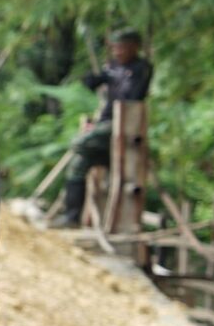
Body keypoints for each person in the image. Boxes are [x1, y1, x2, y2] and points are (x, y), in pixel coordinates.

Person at [51, 28, 153, 226]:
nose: (117, 52)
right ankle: (72, 217)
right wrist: (99, 76)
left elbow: (132, 96)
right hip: (105, 125)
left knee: (80, 143)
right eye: (115, 47)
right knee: (77, 165)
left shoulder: (141, 68)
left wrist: (114, 75)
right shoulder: (113, 66)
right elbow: (90, 83)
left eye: (121, 47)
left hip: (123, 126)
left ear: (134, 47)